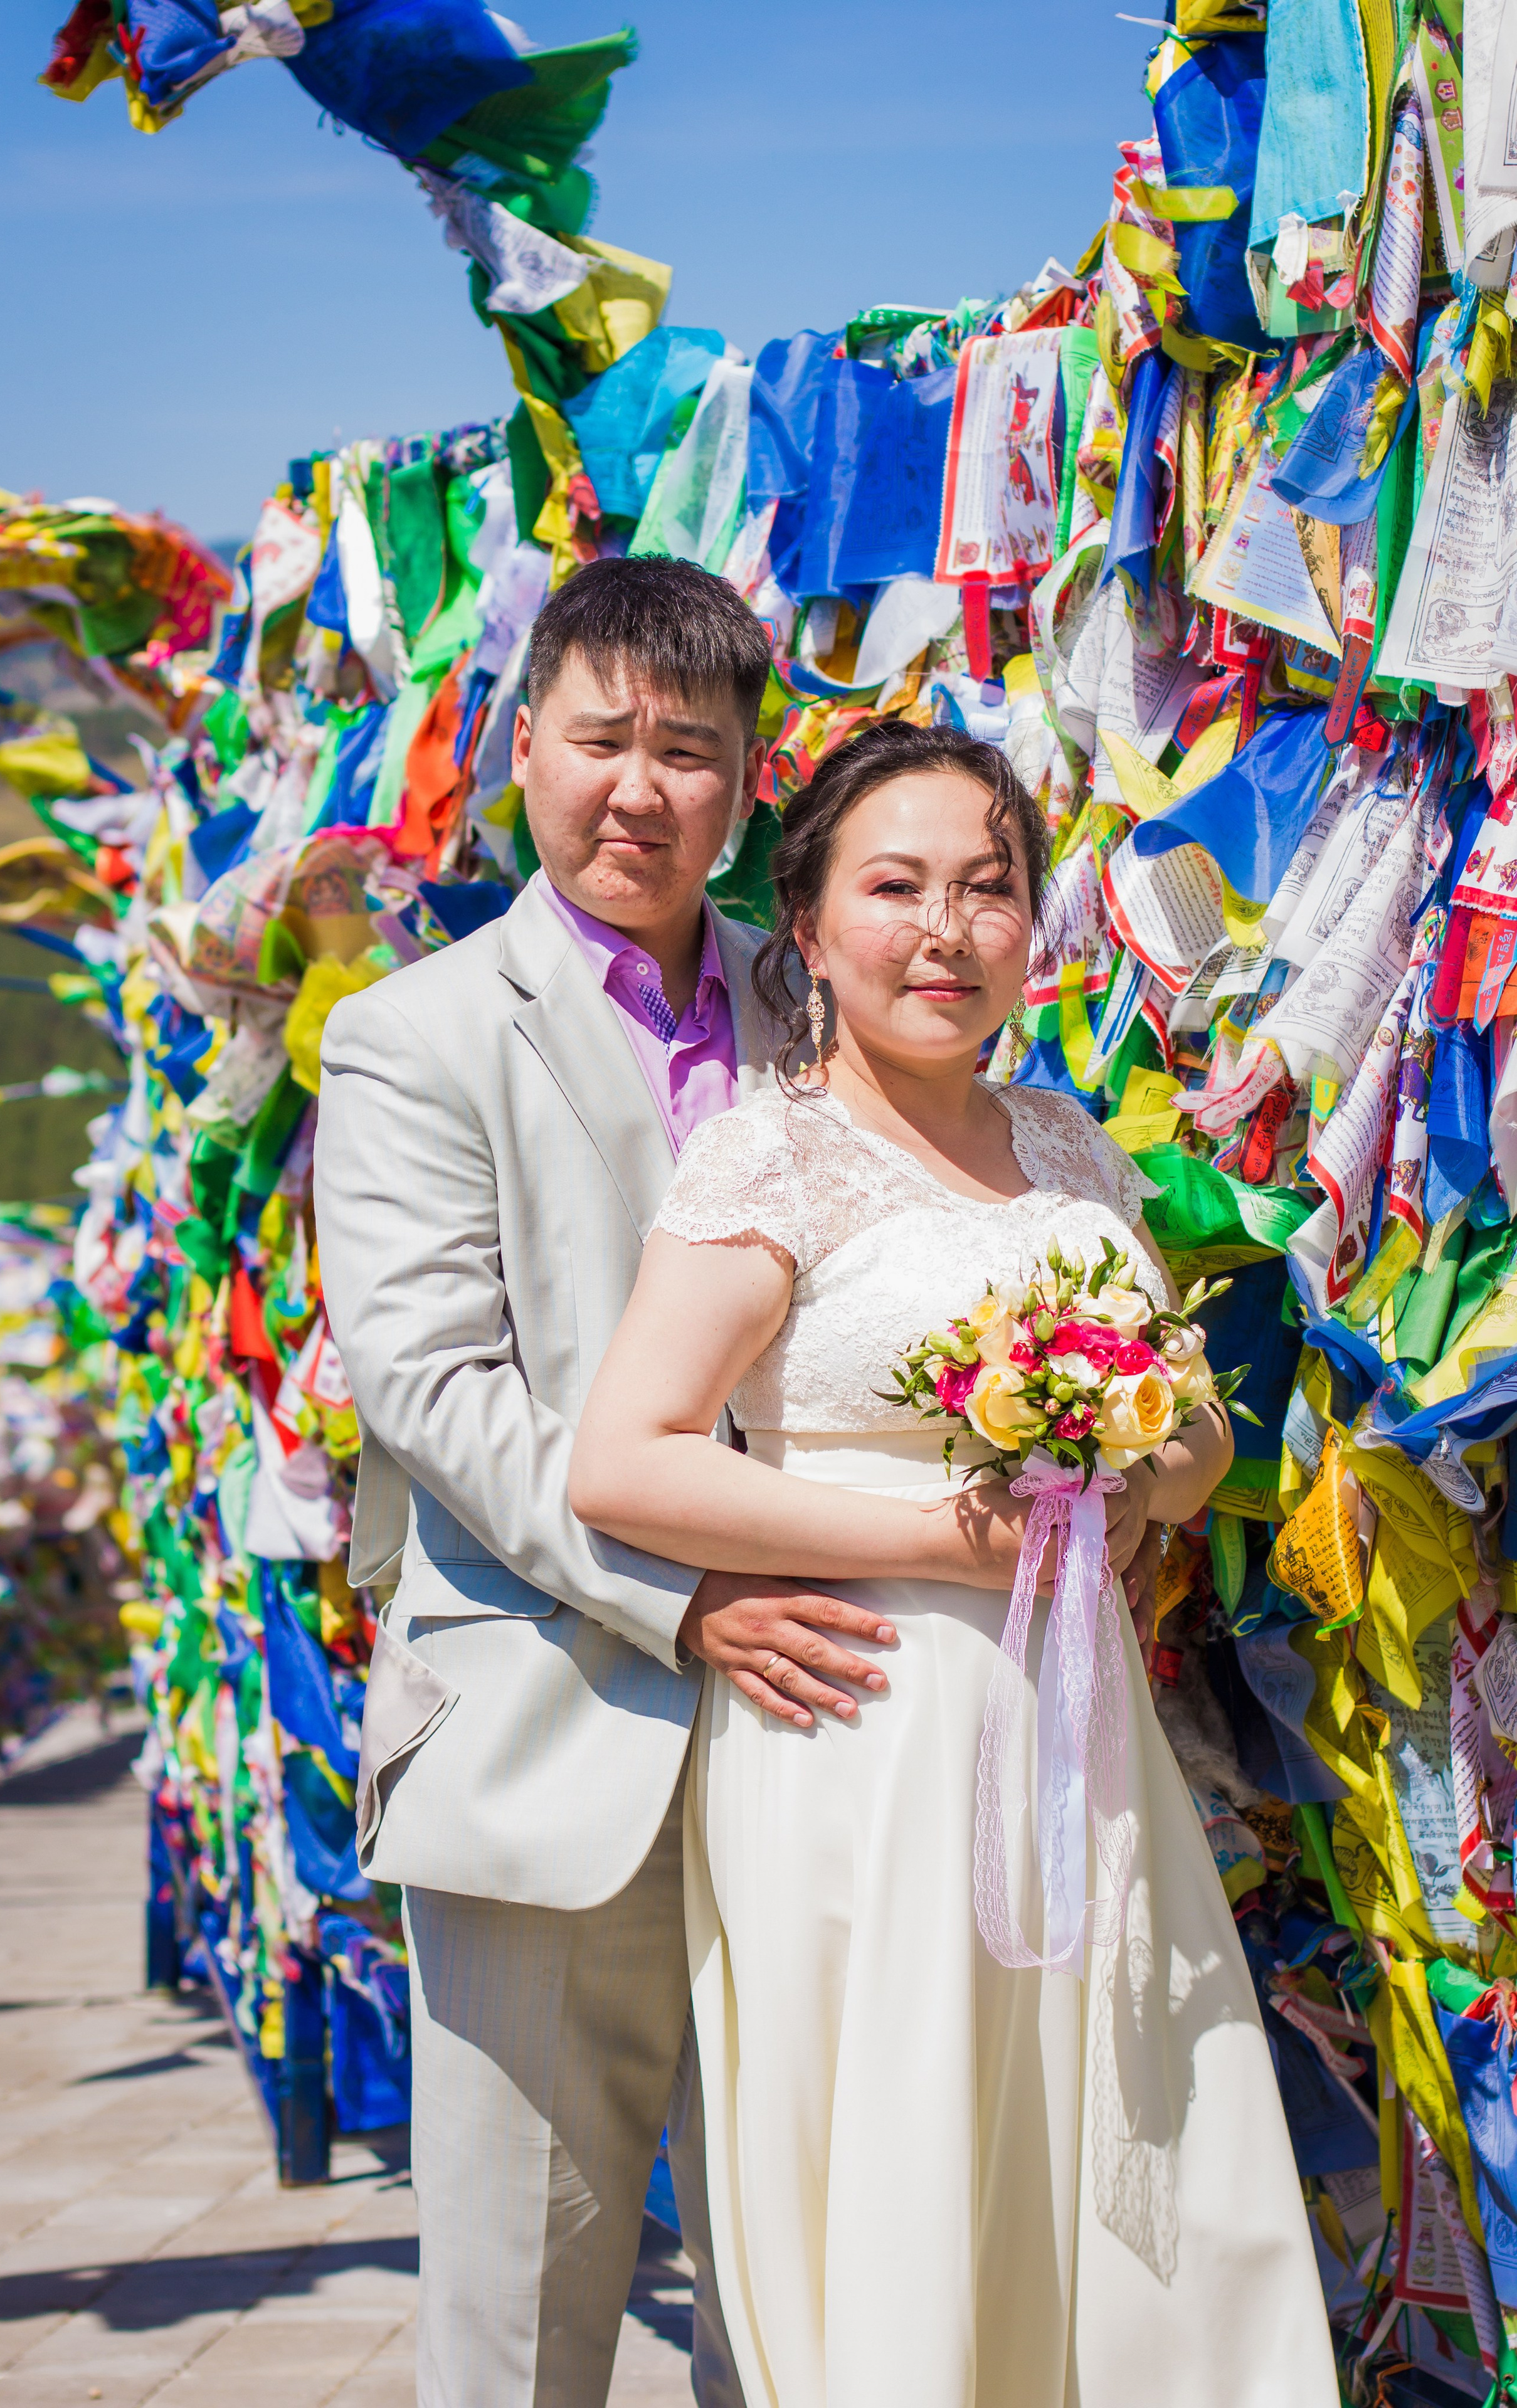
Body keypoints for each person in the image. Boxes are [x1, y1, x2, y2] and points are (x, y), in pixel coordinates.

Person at [570, 719, 1338, 2408]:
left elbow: (1199, 1428)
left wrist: (1140, 1475)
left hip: (1076, 1727)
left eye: (991, 890)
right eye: (897, 887)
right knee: (912, 2121)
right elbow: (627, 1457)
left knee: (1147, 2110)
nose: (947, 931)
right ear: (813, 926)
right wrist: (941, 1537)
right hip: (864, 1723)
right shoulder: (768, 1155)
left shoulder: (1068, 1143)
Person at [314, 556, 899, 2408]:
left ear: (748, 787)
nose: (639, 788)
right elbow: (436, 1390)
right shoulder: (411, 1038)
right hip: (550, 1727)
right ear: (523, 749)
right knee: (527, 2306)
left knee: (812, 2279)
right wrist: (691, 1594)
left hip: (831, 1736)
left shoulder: (830, 1016)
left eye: (692, 752)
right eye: (603, 740)